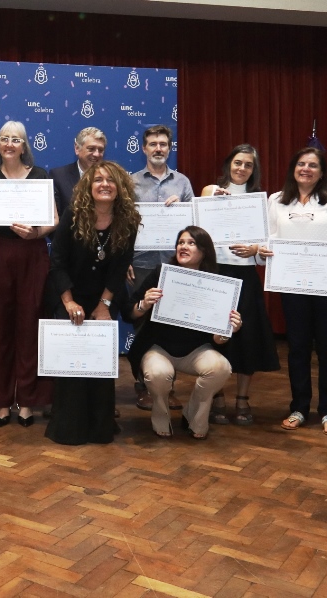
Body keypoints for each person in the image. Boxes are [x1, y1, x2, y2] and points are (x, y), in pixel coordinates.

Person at [259, 147, 327, 436]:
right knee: (298, 347)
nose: (306, 169)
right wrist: (263, 250)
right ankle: (299, 407)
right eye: (301, 164)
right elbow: (269, 238)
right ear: (293, 168)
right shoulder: (276, 200)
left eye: (313, 165)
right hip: (292, 285)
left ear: (322, 171)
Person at [43, 161, 140, 445]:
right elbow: (57, 262)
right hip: (69, 294)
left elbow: (120, 268)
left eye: (110, 180)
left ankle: (99, 427)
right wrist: (69, 302)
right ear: (89, 185)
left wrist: (104, 305)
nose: (104, 184)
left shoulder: (128, 220)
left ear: (120, 187)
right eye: (98, 179)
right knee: (72, 368)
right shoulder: (73, 215)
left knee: (98, 364)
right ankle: (69, 428)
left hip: (104, 297)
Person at [0, 121, 57, 426]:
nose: (9, 144)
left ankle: (27, 400)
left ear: (24, 146)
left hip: (33, 256)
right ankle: (0, 399)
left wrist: (36, 233)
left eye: (16, 139)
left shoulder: (40, 176)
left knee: (31, 326)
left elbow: (54, 219)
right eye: (4, 139)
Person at [125, 227, 240, 439]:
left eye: (191, 243)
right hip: (158, 347)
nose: (183, 247)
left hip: (196, 349)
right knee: (158, 374)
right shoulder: (161, 273)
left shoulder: (217, 284)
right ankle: (160, 414)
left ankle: (193, 414)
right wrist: (144, 304)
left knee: (221, 368)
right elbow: (129, 312)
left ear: (204, 251)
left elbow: (218, 340)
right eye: (181, 242)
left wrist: (228, 329)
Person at [198, 144, 280, 425]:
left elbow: (267, 245)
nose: (242, 168)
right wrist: (213, 201)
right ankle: (217, 396)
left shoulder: (260, 202)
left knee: (247, 338)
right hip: (216, 272)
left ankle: (242, 398)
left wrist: (255, 248)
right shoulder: (211, 191)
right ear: (228, 165)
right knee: (214, 336)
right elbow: (198, 230)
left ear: (254, 169)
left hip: (246, 276)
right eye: (237, 163)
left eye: (248, 164)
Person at [130, 124, 196, 412]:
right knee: (142, 325)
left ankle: (167, 387)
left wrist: (181, 209)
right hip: (141, 264)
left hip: (173, 265)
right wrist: (124, 260)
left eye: (163, 144)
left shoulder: (182, 183)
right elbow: (122, 224)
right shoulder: (130, 182)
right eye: (153, 144)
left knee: (171, 326)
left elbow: (194, 226)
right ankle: (144, 384)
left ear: (170, 148)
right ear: (144, 148)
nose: (158, 149)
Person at [48, 127, 106, 222]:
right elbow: (54, 219)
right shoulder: (59, 176)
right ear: (77, 148)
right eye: (91, 149)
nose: (96, 154)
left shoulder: (111, 179)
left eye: (100, 150)